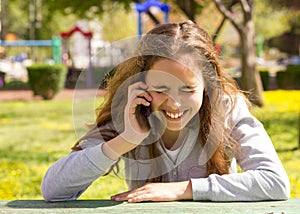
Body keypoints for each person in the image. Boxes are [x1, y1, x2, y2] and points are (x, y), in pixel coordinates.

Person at [41, 20, 290, 202]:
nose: (174, 103)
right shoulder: (132, 110)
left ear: (206, 84)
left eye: (188, 89)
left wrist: (183, 190)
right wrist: (126, 139)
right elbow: (53, 189)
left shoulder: (227, 107)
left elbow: (275, 182)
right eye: (160, 88)